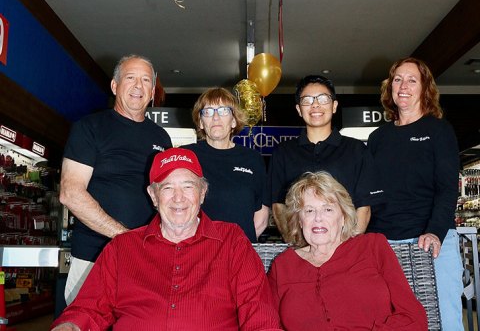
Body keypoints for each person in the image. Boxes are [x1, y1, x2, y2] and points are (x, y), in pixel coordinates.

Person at [51, 148, 282, 331]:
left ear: (202, 193)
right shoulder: (123, 247)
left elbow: (258, 311)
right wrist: (70, 326)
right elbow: (89, 309)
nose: (178, 198)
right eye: (167, 187)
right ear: (153, 196)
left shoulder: (232, 241)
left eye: (188, 186)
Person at [60, 54, 172, 304]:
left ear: (153, 91)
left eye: (146, 81)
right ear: (114, 86)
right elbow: (70, 193)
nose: (138, 86)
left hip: (147, 262)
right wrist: (126, 238)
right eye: (130, 78)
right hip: (94, 257)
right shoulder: (89, 128)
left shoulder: (162, 138)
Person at [367, 57, 463, 331]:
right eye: (398, 79)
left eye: (412, 80)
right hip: (387, 245)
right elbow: (372, 194)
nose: (403, 86)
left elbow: (447, 189)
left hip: (432, 243)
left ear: (425, 89)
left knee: (445, 321)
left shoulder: (438, 130)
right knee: (394, 322)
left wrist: (434, 231)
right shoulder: (378, 138)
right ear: (390, 88)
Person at [267, 171, 427, 331]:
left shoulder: (372, 246)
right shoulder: (282, 266)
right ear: (300, 221)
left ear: (343, 216)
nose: (318, 218)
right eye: (309, 210)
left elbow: (413, 317)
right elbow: (267, 324)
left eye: (328, 209)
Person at [268, 75, 383, 239]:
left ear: (334, 106)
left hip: (345, 249)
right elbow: (278, 206)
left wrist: (348, 248)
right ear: (299, 109)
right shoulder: (283, 153)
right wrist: (297, 246)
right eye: (307, 100)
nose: (315, 105)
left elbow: (363, 208)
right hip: (301, 252)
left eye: (323, 99)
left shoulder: (356, 150)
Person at [184, 87, 269, 241]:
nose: (216, 117)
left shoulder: (252, 159)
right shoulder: (186, 157)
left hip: (240, 254)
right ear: (201, 122)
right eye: (208, 112)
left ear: (234, 120)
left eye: (223, 111)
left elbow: (261, 218)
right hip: (197, 254)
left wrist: (235, 248)